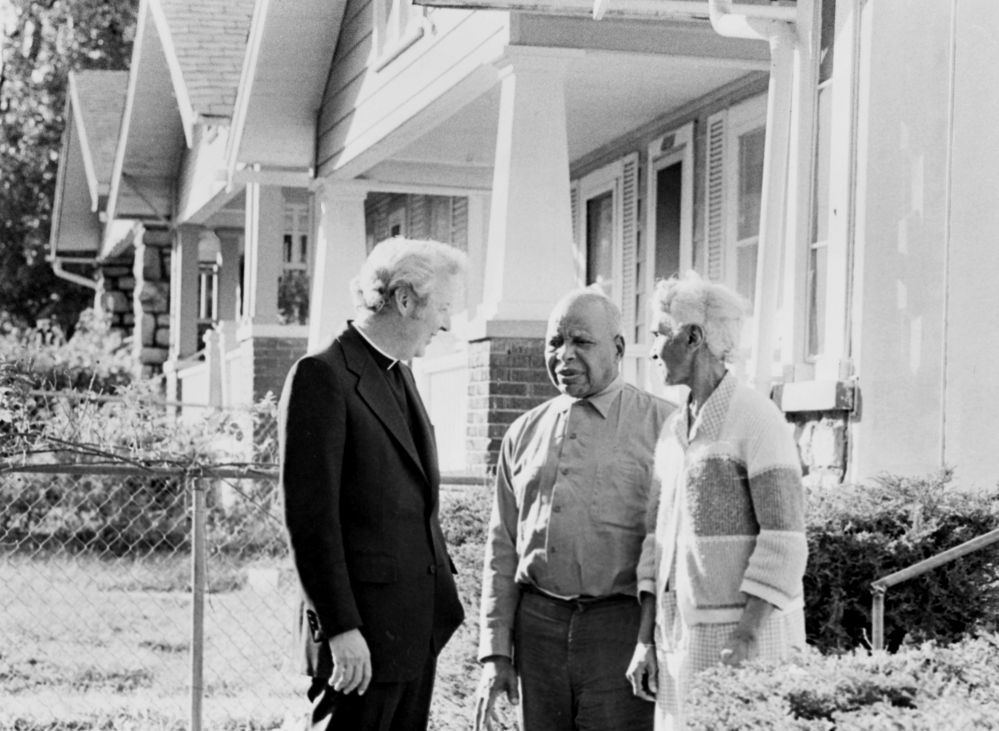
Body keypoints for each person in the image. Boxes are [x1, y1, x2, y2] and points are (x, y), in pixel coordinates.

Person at [278, 237, 467, 731]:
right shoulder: (321, 375)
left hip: (410, 635)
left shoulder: (398, 374)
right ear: (405, 300)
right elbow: (310, 521)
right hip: (359, 644)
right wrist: (340, 628)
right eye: (442, 307)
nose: (446, 323)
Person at [474, 289, 675, 731]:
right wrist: (495, 653)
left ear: (618, 348)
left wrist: (652, 640)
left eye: (581, 342)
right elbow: (502, 548)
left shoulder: (666, 427)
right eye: (554, 342)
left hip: (619, 632)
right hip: (537, 631)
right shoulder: (522, 432)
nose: (564, 355)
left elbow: (672, 554)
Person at [626, 272, 807, 729]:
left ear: (692, 338)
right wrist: (644, 641)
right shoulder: (672, 431)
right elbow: (656, 545)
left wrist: (746, 636)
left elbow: (784, 540)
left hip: (746, 640)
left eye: (659, 334)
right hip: (677, 642)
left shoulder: (757, 419)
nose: (651, 350)